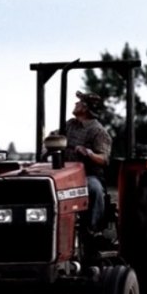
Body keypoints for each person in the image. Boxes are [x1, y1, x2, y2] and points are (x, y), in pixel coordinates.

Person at [63, 90, 112, 232]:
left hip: (88, 175)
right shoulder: (70, 124)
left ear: (85, 108)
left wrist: (89, 153)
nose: (75, 103)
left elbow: (104, 159)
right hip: (65, 173)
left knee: (94, 189)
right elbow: (54, 137)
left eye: (79, 102)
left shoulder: (98, 131)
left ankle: (94, 231)